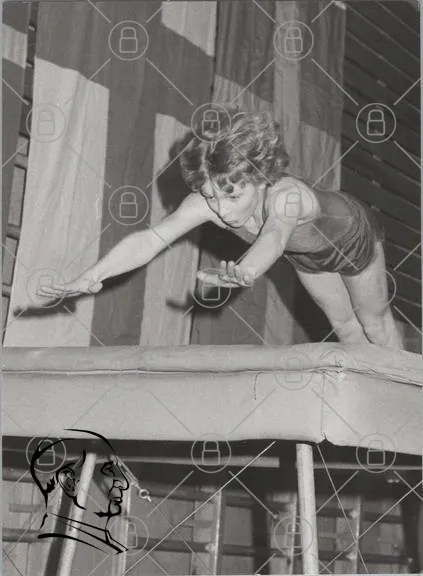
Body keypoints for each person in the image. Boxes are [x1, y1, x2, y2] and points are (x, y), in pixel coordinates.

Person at [37, 106, 403, 349]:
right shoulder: (208, 202)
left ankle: (412, 399)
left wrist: (247, 270)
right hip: (308, 255)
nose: (221, 211)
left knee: (372, 322)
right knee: (345, 327)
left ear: (259, 178)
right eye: (211, 197)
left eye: (231, 197)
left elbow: (275, 237)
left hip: (353, 237)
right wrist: (92, 275)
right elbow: (150, 240)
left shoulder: (286, 197)